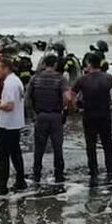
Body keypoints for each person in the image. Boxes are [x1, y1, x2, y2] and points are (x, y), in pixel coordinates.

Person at [70, 53, 112, 185]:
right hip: (104, 114)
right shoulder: (108, 78)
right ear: (100, 64)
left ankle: (93, 170)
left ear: (89, 64)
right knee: (107, 143)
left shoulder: (83, 79)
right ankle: (110, 169)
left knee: (91, 144)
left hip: (89, 115)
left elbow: (70, 95)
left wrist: (76, 108)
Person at [27, 55, 68, 183]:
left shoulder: (35, 78)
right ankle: (59, 175)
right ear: (55, 64)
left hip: (40, 116)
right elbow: (67, 98)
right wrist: (65, 112)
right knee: (57, 147)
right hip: (56, 116)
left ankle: (37, 173)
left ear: (44, 64)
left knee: (39, 148)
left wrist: (33, 116)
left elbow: (27, 99)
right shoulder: (60, 79)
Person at [0, 58, 26, 196]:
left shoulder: (9, 83)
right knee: (16, 154)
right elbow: (12, 102)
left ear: (6, 69)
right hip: (16, 124)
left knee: (3, 157)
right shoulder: (16, 81)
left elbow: (9, 106)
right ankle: (21, 181)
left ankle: (1, 186)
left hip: (7, 125)